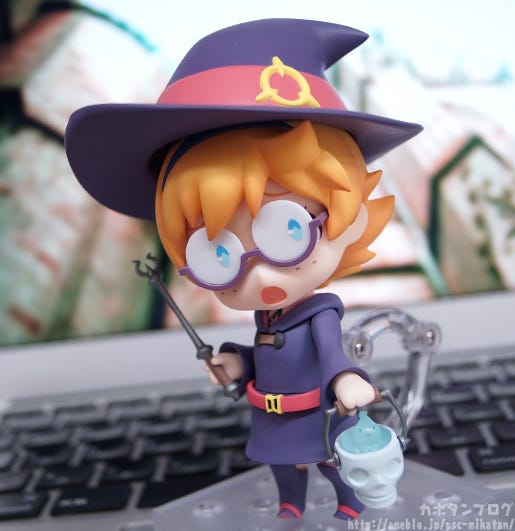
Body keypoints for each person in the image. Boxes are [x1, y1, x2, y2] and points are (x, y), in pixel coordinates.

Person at [65, 18, 422, 520]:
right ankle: (291, 506)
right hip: (273, 419)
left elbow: (331, 355)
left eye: (288, 231)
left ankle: (348, 503)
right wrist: (237, 364)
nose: (259, 276)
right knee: (283, 467)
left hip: (317, 416)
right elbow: (267, 357)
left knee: (332, 463)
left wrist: (347, 381)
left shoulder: (320, 313)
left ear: (353, 216)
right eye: (217, 254)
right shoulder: (266, 319)